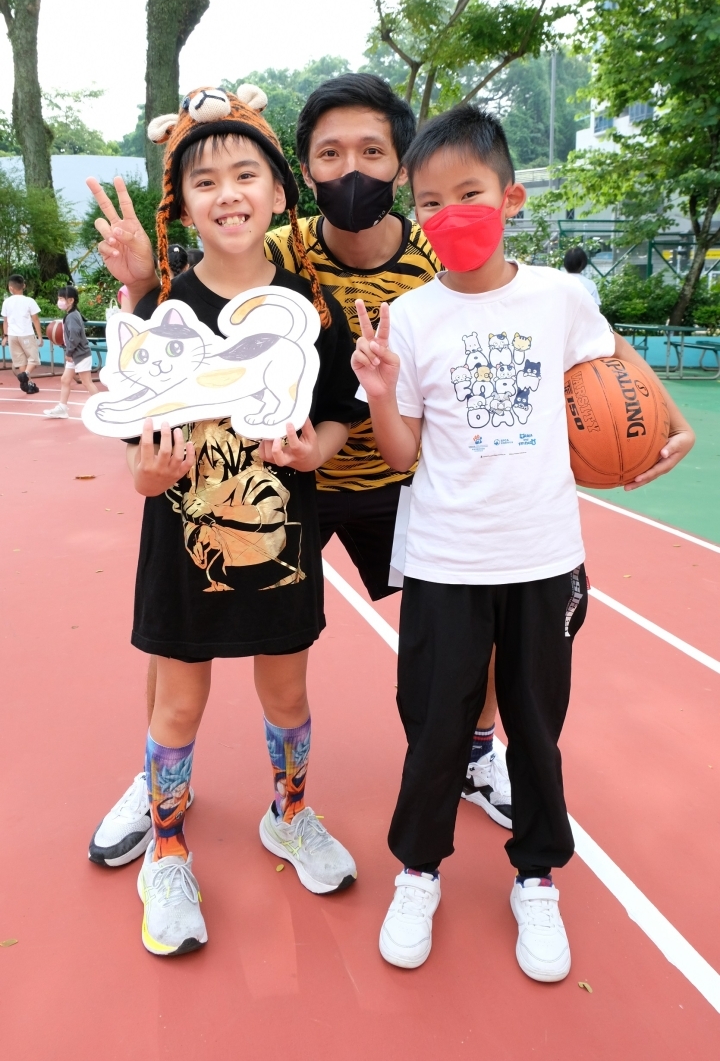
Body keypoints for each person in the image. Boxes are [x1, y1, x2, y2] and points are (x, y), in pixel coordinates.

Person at [87, 74, 511, 870]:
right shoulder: (263, 262)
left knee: (476, 604)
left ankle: (472, 754)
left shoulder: (421, 267)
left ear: (399, 165)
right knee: (178, 663)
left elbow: (495, 315)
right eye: (330, 153)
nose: (351, 169)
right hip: (252, 505)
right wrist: (143, 284)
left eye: (371, 152)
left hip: (375, 484)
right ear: (306, 177)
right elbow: (163, 358)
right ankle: (158, 794)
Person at [351, 104, 694, 980]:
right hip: (444, 559)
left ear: (512, 197)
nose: (450, 214)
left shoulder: (559, 296)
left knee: (537, 729)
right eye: (430, 202)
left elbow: (615, 359)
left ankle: (536, 878)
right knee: (435, 729)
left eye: (468, 193)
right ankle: (418, 872)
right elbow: (402, 456)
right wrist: (382, 393)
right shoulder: (410, 317)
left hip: (543, 555)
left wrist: (672, 420)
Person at [87, 86, 366, 956]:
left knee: (288, 697)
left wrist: (312, 455)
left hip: (283, 550)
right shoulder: (156, 312)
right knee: (178, 705)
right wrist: (149, 473)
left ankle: (290, 813)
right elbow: (136, 453)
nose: (228, 193)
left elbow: (337, 415)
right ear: (183, 203)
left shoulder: (311, 309)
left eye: (246, 174)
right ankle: (167, 851)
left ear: (280, 192)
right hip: (184, 555)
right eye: (205, 181)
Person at [44, 286, 99, 419]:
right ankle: (62, 408)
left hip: (80, 355)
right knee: (65, 380)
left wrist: (69, 352)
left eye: (61, 298)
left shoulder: (72, 316)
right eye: (59, 298)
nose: (59, 301)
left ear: (71, 300)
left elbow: (75, 337)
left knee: (86, 382)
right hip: (75, 355)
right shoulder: (71, 315)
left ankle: (102, 405)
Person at [1, 274, 43, 394]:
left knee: (21, 361)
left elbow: (5, 321)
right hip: (26, 334)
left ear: (10, 288)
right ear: (24, 286)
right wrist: (40, 336)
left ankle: (29, 385)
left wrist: (5, 336)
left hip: (12, 336)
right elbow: (35, 319)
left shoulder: (6, 302)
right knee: (34, 359)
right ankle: (25, 375)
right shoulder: (29, 301)